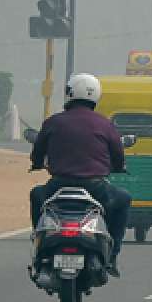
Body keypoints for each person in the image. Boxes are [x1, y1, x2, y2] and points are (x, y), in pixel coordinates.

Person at [29, 73, 131, 277]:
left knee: (36, 195)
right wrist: (119, 166)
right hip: (95, 187)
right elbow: (118, 155)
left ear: (69, 93)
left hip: (58, 185)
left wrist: (37, 164)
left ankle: (39, 241)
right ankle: (112, 255)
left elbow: (37, 152)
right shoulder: (105, 124)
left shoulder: (53, 122)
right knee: (124, 199)